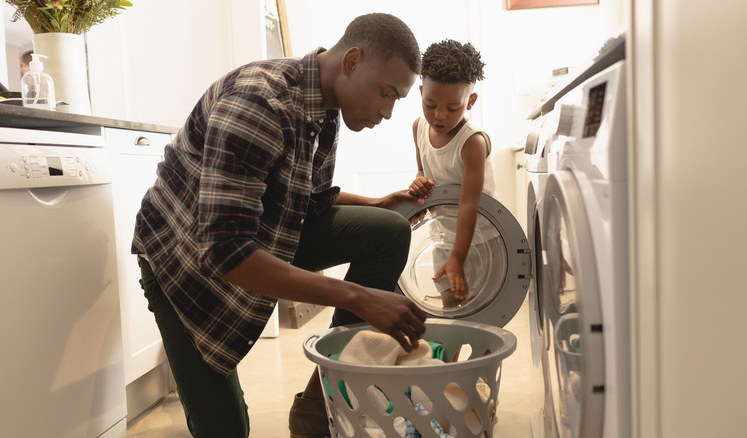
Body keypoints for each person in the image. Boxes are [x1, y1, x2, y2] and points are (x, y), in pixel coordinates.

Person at [131, 13, 427, 438]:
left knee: (388, 231)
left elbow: (308, 201)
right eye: (386, 93)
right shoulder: (258, 104)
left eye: (397, 99)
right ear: (352, 61)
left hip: (249, 235)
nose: (387, 111)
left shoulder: (325, 109)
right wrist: (359, 298)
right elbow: (226, 251)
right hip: (183, 258)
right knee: (226, 430)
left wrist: (377, 203)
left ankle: (321, 400)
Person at [407, 39, 496, 307]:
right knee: (449, 306)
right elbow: (423, 170)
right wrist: (419, 182)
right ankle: (448, 351)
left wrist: (458, 256)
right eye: (430, 104)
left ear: (470, 101)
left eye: (452, 108)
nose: (439, 116)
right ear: (421, 91)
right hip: (444, 235)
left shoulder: (472, 143)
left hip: (481, 240)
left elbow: (470, 202)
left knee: (479, 310)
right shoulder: (418, 128)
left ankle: (483, 352)